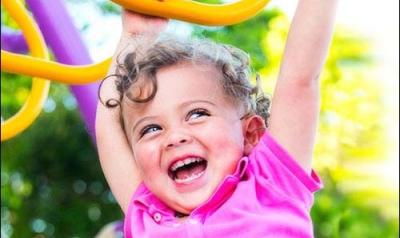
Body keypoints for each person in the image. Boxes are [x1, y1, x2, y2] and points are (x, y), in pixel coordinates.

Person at [95, 0, 338, 237]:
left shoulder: (271, 184)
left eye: (197, 114)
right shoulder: (146, 218)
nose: (174, 137)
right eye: (150, 129)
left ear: (250, 133)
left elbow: (299, 80)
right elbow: (108, 131)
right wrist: (136, 36)